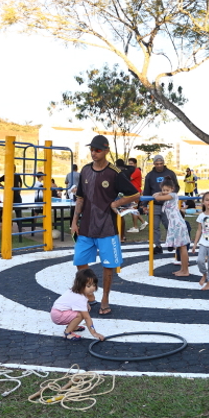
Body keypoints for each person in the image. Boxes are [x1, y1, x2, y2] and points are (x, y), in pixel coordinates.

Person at [70, 135, 140, 315]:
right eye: (91, 149)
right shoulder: (85, 170)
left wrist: (116, 203)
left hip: (107, 227)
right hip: (86, 226)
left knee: (108, 266)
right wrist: (74, 221)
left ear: (106, 151)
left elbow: (135, 194)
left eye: (98, 150)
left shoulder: (114, 173)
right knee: (80, 262)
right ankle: (89, 294)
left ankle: (105, 298)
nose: (93, 153)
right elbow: (80, 198)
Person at [51, 269, 105, 341]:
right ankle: (67, 333)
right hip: (58, 315)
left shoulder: (75, 291)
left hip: (57, 312)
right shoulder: (80, 298)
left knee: (82, 311)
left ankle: (73, 326)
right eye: (88, 286)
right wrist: (94, 333)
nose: (92, 288)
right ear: (80, 285)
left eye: (94, 285)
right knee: (81, 314)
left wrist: (86, 304)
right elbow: (87, 318)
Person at [142, 155, 179, 256]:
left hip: (168, 205)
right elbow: (146, 190)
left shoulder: (170, 173)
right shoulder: (150, 175)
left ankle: (171, 242)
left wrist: (169, 195)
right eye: (157, 164)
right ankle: (157, 246)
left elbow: (176, 187)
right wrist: (144, 205)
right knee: (154, 227)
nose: (159, 166)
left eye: (161, 163)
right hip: (155, 205)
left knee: (169, 225)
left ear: (163, 163)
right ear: (154, 164)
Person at [153, 178, 191, 277]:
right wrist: (160, 193)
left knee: (182, 247)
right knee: (180, 247)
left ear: (172, 189)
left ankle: (185, 270)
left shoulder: (173, 196)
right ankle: (182, 269)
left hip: (178, 224)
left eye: (167, 190)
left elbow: (156, 197)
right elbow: (156, 195)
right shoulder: (168, 197)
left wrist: (160, 194)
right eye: (163, 190)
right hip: (174, 225)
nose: (165, 192)